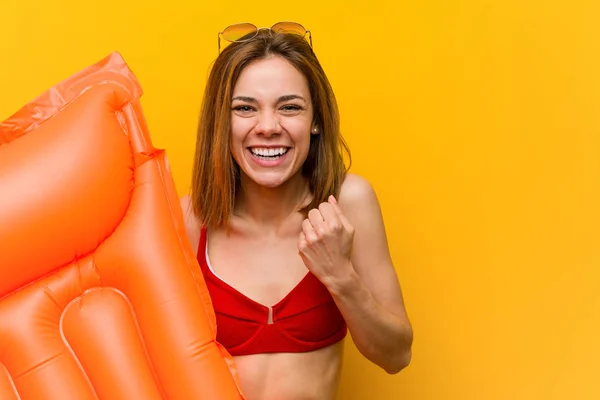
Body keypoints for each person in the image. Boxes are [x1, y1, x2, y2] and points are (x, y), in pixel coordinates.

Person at [179, 22, 413, 400]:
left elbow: (397, 354)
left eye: (289, 107)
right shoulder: (192, 218)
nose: (268, 127)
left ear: (315, 120)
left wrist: (340, 276)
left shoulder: (349, 202)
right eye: (245, 108)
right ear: (222, 123)